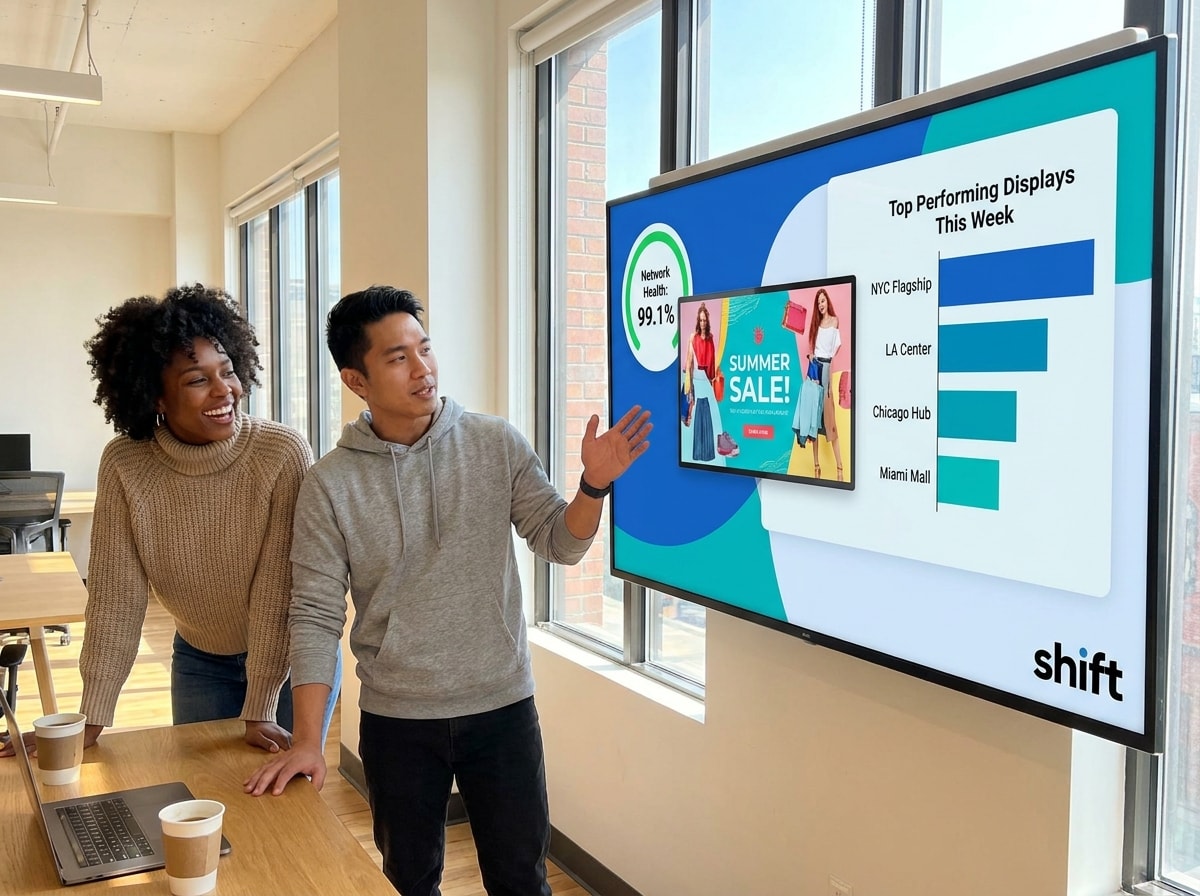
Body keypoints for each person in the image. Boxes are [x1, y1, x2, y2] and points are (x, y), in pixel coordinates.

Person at [244, 285, 652, 896]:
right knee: (410, 881)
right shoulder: (330, 484)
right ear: (357, 380)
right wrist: (308, 741)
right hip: (398, 717)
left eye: (425, 349)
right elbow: (315, 616)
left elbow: (560, 544)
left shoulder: (495, 443)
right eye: (397, 357)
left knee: (520, 880)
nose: (422, 369)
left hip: (503, 706)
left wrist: (592, 487)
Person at [2, 284, 338, 759]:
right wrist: (90, 719)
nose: (225, 391)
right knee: (206, 793)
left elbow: (277, 589)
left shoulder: (280, 453)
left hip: (286, 661)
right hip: (199, 657)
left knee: (284, 805)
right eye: (198, 380)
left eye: (227, 372)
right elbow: (116, 594)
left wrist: (260, 703)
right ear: (156, 397)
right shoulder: (125, 463)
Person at [806, 288, 844, 480]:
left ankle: (840, 466)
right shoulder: (816, 324)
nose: (821, 304)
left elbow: (833, 351)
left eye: (823, 301)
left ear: (827, 301)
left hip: (826, 368)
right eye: (818, 302)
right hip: (815, 367)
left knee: (830, 419)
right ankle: (816, 465)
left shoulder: (835, 321)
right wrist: (811, 357)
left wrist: (828, 381)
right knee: (814, 418)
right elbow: (813, 349)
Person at [683, 301, 716, 461]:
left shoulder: (710, 339)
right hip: (696, 377)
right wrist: (688, 382)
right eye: (700, 320)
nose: (703, 323)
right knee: (696, 412)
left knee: (707, 413)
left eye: (705, 320)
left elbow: (712, 361)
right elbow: (689, 360)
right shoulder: (693, 337)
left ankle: (707, 453)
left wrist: (712, 379)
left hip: (706, 379)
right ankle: (698, 453)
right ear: (698, 320)